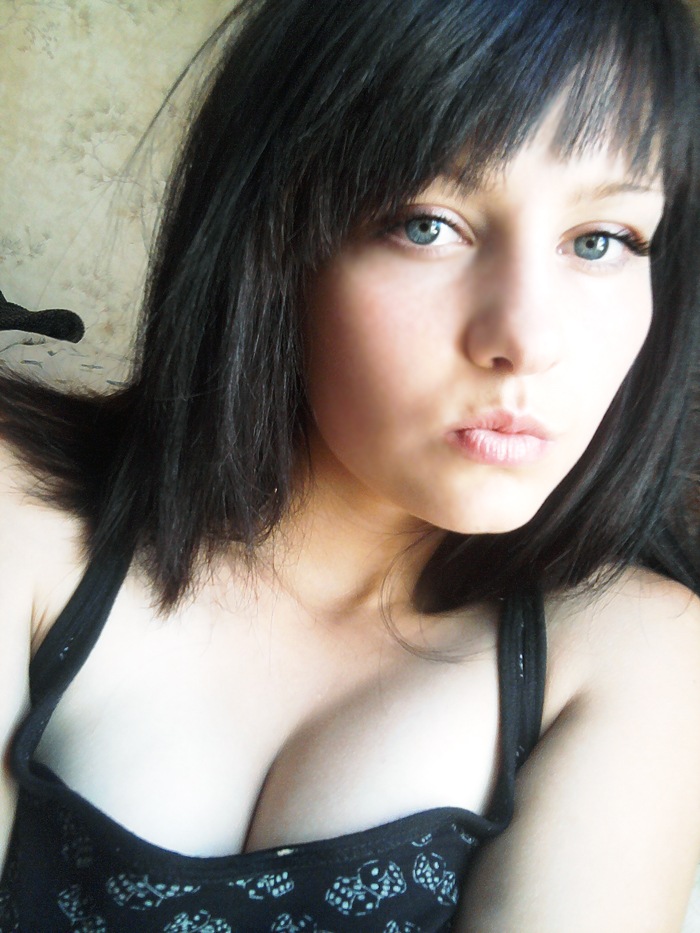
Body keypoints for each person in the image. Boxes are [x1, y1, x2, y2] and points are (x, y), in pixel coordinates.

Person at [1, 0, 699, 929]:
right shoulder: (23, 514)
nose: (528, 340)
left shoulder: (632, 653)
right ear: (273, 236)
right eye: (428, 224)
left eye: (601, 241)